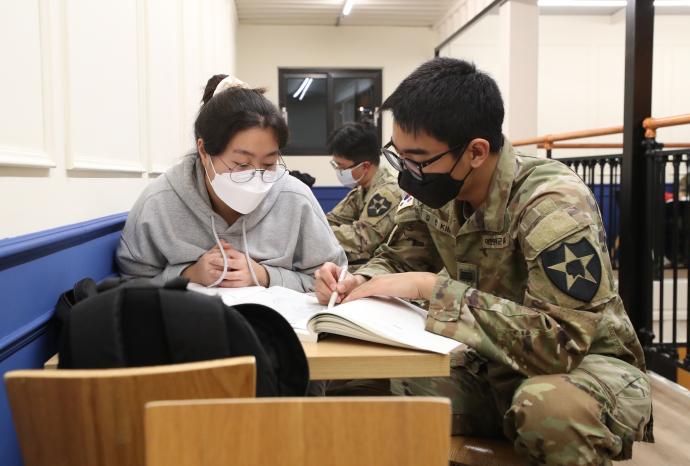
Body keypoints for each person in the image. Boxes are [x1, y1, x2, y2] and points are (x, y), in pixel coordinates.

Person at [314, 58, 652, 465]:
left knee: (551, 412)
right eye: (398, 157)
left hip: (582, 367)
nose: (407, 172)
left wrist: (430, 289)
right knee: (359, 381)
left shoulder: (551, 204)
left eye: (418, 160)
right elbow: (398, 257)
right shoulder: (439, 189)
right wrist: (358, 281)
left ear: (475, 152)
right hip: (489, 362)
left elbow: (560, 342)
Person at [116, 74, 346, 292]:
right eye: (241, 164)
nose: (256, 177)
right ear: (204, 151)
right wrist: (188, 274)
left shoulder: (295, 198)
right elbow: (131, 281)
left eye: (268, 164)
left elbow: (334, 277)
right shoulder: (160, 201)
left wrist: (265, 276)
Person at [326, 122, 403, 271]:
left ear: (365, 166)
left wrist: (315, 235)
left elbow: (360, 240)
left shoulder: (388, 193)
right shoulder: (361, 189)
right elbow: (331, 220)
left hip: (385, 270)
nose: (339, 172)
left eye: (342, 167)